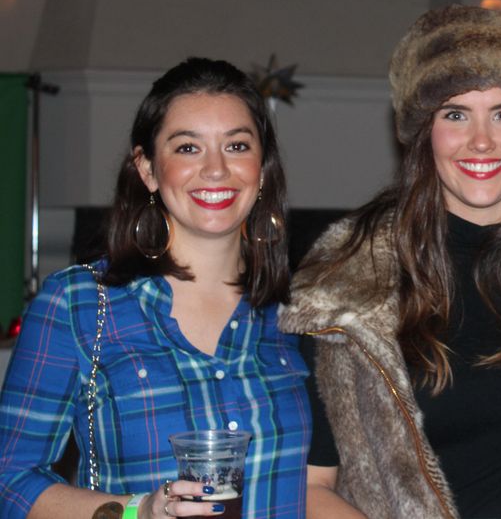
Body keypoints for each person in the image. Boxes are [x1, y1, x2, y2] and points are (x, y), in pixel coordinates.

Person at [278, 5, 501, 518]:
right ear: (423, 131)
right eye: (455, 113)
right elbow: (313, 487)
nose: (481, 140)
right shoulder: (344, 279)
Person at [0, 58, 311, 519]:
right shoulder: (81, 303)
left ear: (262, 169)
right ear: (147, 169)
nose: (215, 170)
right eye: (187, 148)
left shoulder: (305, 313)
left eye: (237, 146)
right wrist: (137, 511)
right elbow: (10, 480)